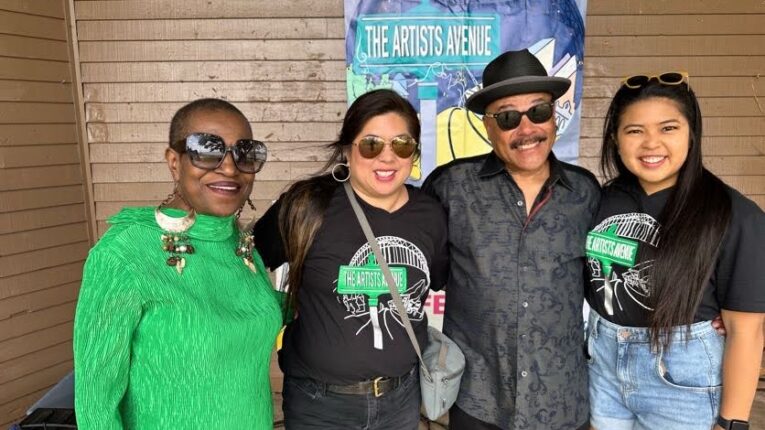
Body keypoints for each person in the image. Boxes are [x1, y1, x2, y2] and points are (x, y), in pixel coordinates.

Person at [73, 98, 283, 429]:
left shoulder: (240, 245)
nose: (230, 168)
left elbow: (251, 311)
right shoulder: (125, 252)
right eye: (207, 150)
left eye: (245, 153)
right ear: (174, 162)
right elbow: (95, 402)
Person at [422, 49, 600, 429]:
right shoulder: (451, 188)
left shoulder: (586, 194)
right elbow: (414, 266)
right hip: (478, 402)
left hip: (562, 404)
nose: (526, 129)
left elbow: (615, 279)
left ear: (554, 115)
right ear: (487, 126)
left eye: (539, 111)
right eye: (507, 117)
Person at [253, 89, 449, 429]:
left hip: (401, 400)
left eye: (401, 145)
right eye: (371, 145)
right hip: (320, 406)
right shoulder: (306, 205)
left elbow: (440, 279)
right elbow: (246, 263)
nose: (387, 158)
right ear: (347, 149)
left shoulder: (430, 214)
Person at [585, 73, 765, 430]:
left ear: (691, 133)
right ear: (615, 139)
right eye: (635, 131)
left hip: (684, 383)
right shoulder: (598, 201)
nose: (651, 143)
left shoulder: (734, 215)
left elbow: (747, 332)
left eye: (668, 128)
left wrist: (731, 423)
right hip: (604, 370)